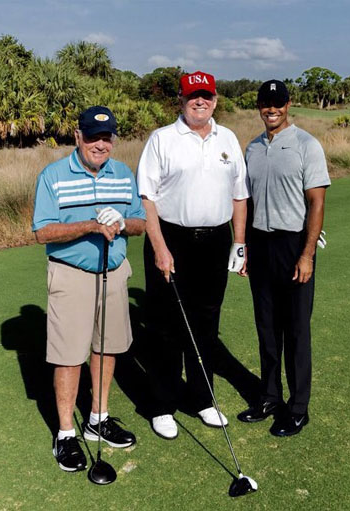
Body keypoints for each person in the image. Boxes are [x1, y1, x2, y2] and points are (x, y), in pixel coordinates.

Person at [32, 106, 147, 471]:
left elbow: (141, 222)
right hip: (71, 275)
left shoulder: (123, 173)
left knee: (106, 347)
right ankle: (66, 433)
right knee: (69, 356)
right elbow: (42, 232)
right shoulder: (54, 175)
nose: (101, 144)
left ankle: (98, 418)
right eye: (93, 136)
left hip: (113, 273)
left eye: (107, 137)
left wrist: (123, 222)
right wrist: (90, 225)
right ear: (78, 137)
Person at [136, 70, 249, 439]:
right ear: (180, 102)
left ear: (215, 99)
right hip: (172, 238)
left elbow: (239, 195)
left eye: (206, 96)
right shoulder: (162, 140)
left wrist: (239, 242)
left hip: (216, 240)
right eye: (192, 97)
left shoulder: (228, 138)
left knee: (206, 323)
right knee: (167, 325)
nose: (200, 102)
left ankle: (203, 399)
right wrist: (159, 247)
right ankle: (162, 404)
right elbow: (147, 197)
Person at [237, 79, 330, 437]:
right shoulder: (253, 148)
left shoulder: (307, 145)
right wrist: (242, 246)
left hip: (294, 245)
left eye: (277, 103)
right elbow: (244, 202)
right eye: (265, 103)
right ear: (259, 107)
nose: (271, 109)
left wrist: (307, 254)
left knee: (296, 331)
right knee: (266, 329)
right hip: (261, 245)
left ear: (288, 104)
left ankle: (297, 407)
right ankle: (270, 397)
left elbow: (317, 201)